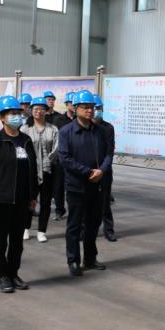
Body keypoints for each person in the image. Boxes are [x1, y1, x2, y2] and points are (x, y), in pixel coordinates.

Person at [0, 96, 38, 293]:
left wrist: (33, 196)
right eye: (12, 113)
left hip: (22, 201)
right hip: (2, 200)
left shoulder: (26, 140)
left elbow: (33, 170)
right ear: (1, 117)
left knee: (17, 242)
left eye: (18, 113)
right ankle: (3, 276)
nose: (17, 116)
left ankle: (14, 273)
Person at [58, 90, 113, 277]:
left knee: (93, 224)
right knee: (74, 226)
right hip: (76, 186)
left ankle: (90, 258)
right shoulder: (66, 132)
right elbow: (65, 158)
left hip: (96, 185)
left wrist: (101, 170)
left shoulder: (100, 131)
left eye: (92, 107)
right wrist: (88, 172)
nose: (90, 110)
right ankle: (73, 260)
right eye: (85, 107)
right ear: (75, 108)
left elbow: (108, 154)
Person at [20, 97, 58, 243]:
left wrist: (48, 160)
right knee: (29, 200)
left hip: (48, 170)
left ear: (46, 111)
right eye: (36, 109)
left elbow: (57, 148)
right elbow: (21, 148)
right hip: (30, 171)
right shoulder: (25, 129)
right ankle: (25, 228)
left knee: (46, 202)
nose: (39, 111)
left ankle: (42, 231)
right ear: (31, 111)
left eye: (42, 109)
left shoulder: (53, 129)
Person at [93, 94, 117, 242]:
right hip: (88, 172)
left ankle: (108, 230)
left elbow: (110, 152)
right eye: (94, 108)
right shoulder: (84, 128)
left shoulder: (108, 128)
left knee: (105, 202)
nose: (96, 111)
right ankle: (86, 229)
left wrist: (102, 169)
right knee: (87, 203)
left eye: (98, 108)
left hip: (105, 171)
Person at [48, 92, 72, 221]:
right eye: (71, 103)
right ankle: (59, 210)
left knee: (73, 186)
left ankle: (73, 210)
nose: (73, 105)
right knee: (58, 186)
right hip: (61, 158)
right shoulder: (59, 120)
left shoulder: (79, 121)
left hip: (75, 158)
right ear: (67, 104)